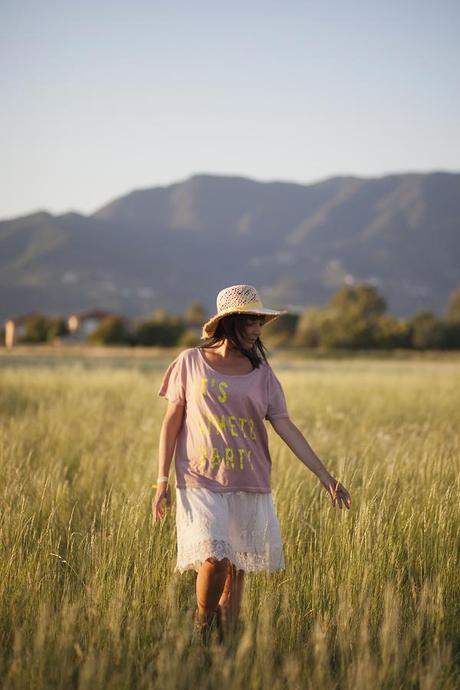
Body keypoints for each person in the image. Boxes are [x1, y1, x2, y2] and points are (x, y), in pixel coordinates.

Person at [152, 284, 351, 645]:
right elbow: (172, 421)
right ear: (230, 322)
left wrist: (326, 477)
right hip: (199, 479)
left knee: (238, 570)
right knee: (215, 558)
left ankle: (225, 647)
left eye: (261, 321)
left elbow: (285, 425)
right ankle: (202, 627)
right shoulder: (190, 362)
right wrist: (161, 481)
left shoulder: (262, 373)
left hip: (249, 479)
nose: (258, 329)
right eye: (251, 321)